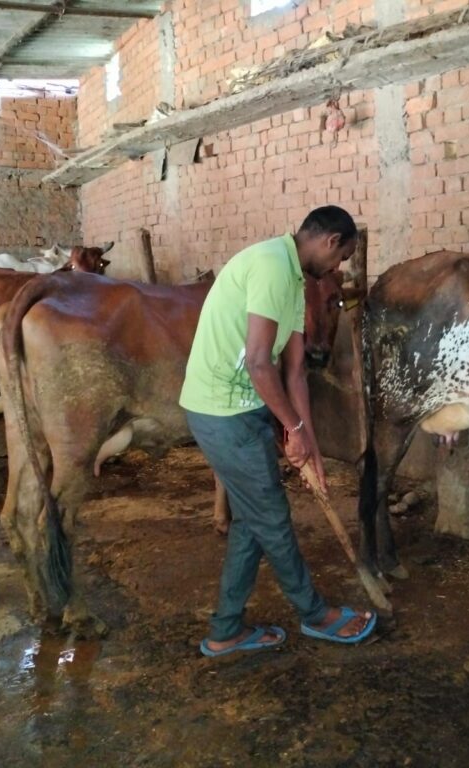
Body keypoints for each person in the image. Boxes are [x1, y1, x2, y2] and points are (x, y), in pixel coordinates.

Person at [180, 205, 377, 657]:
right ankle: (316, 615)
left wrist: (307, 439)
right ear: (329, 242)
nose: (339, 267)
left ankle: (226, 630)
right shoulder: (271, 265)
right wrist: (291, 426)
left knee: (253, 519)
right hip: (222, 412)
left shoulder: (293, 279)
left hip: (243, 409)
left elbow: (294, 372)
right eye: (342, 257)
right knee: (271, 517)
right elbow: (257, 362)